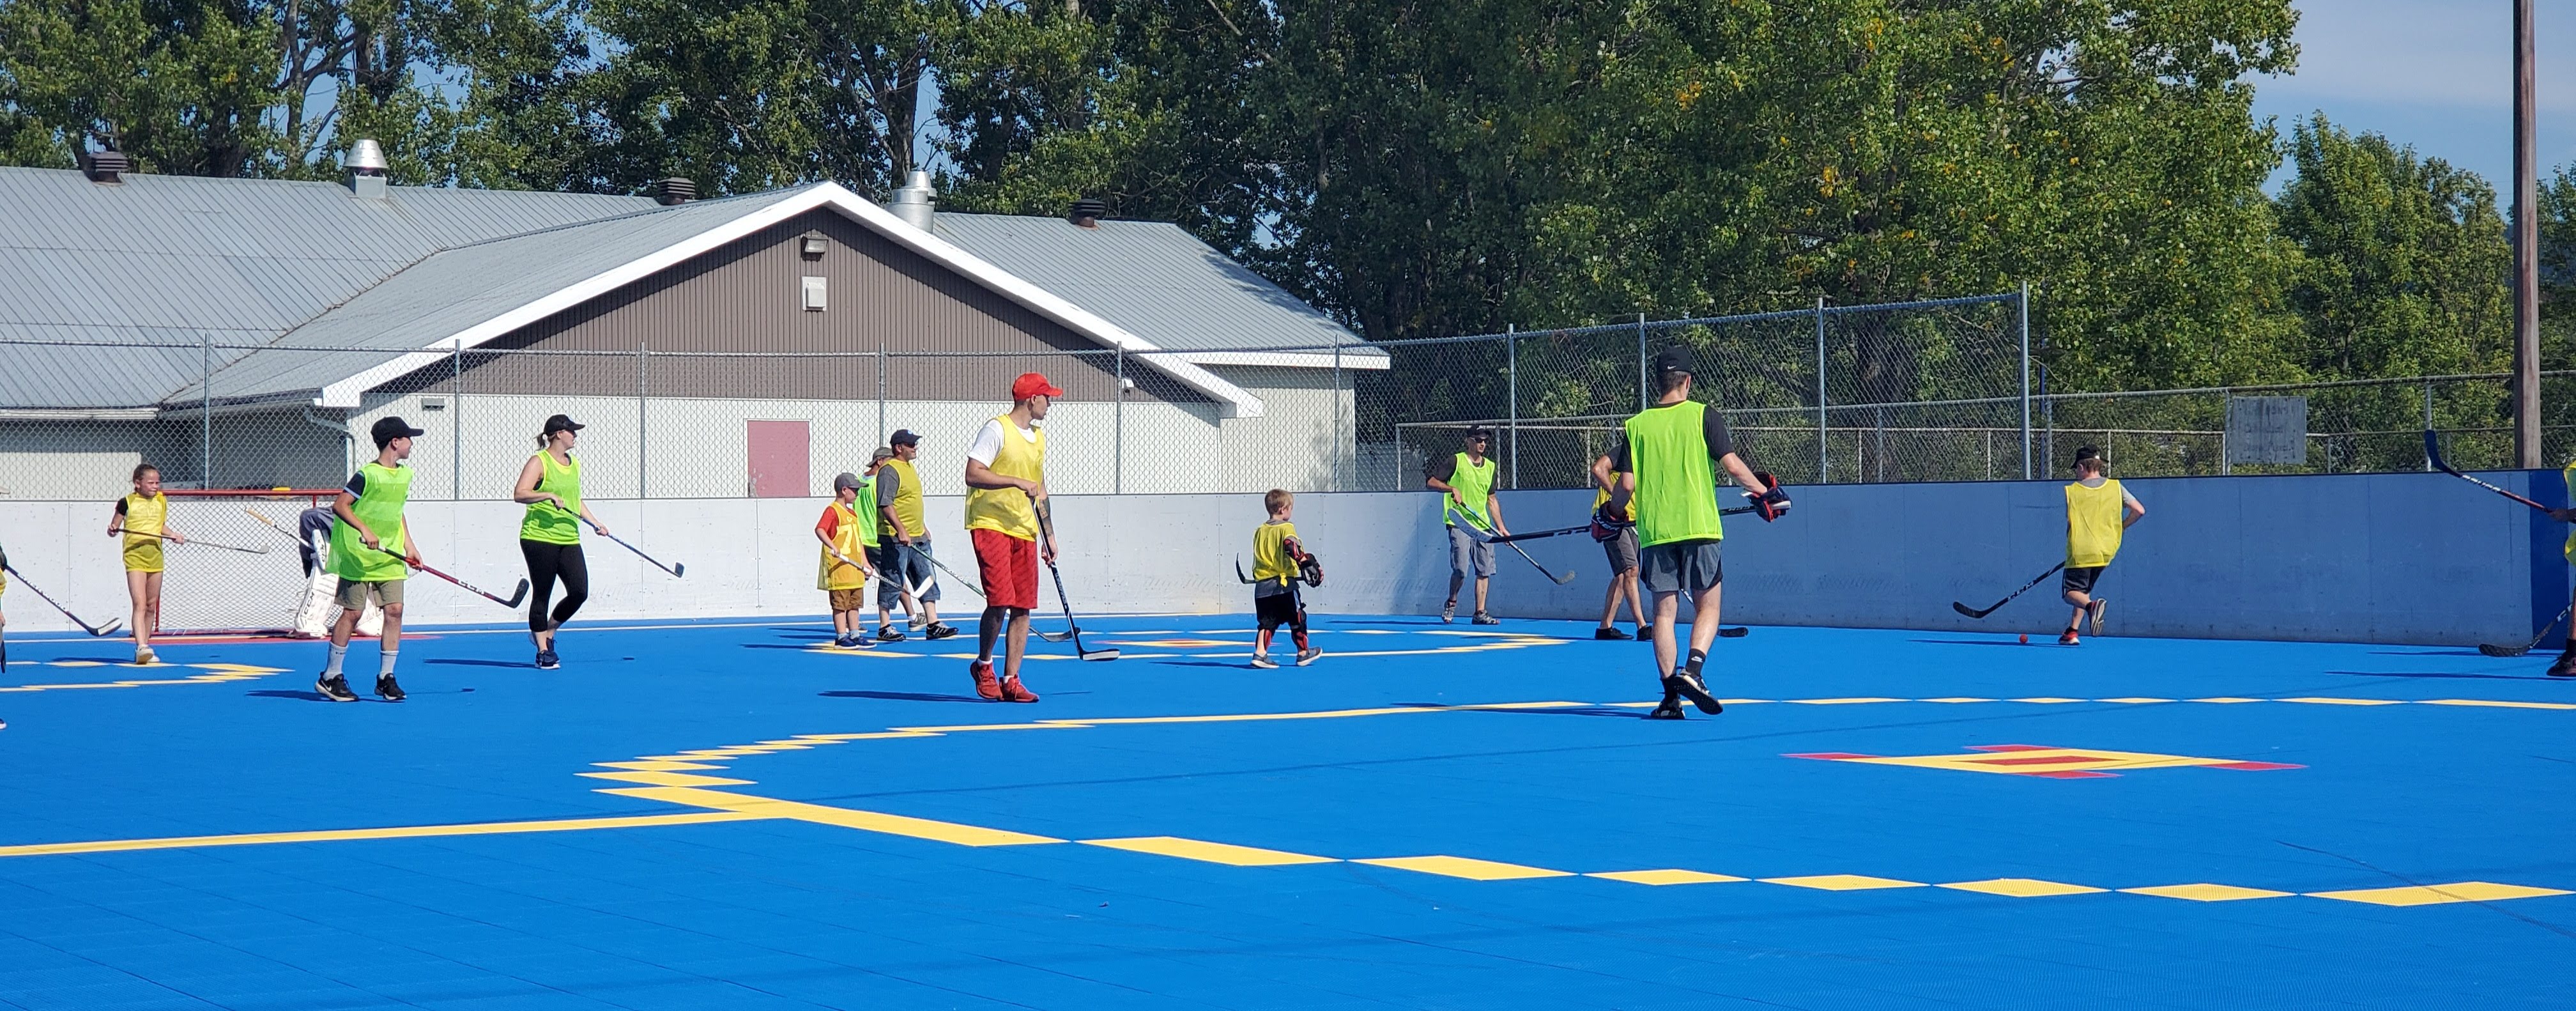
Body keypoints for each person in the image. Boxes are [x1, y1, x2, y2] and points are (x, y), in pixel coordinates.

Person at [1602, 347, 1790, 720]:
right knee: (1709, 606)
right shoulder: (1704, 415)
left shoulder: (1637, 425)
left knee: (1664, 613)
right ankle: (1694, 670)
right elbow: (1732, 466)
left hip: (1656, 532)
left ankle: (1670, 700)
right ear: (1687, 381)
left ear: (1658, 383)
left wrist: (1610, 514)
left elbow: (1626, 485)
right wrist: (1764, 493)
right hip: (1700, 526)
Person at [962, 372, 1061, 703]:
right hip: (991, 523)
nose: (1050, 404)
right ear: (1032, 399)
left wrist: (1049, 535)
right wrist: (1014, 482)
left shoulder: (1039, 438)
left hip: (1024, 528)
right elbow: (973, 473)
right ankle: (984, 665)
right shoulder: (997, 429)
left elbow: (1040, 489)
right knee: (1000, 599)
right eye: (1047, 398)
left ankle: (1011, 679)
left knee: (1023, 605)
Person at [318, 417, 427, 702]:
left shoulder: (404, 475)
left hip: (389, 555)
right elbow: (341, 505)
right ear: (395, 442)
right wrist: (364, 530)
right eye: (408, 439)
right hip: (359, 555)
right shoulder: (367, 475)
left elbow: (396, 512)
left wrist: (410, 546)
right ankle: (331, 675)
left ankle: (386, 678)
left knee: (395, 610)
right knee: (353, 613)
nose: (412, 444)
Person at [514, 414, 606, 669]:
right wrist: (547, 495)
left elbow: (575, 500)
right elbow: (520, 493)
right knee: (542, 592)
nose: (575, 436)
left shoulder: (574, 464)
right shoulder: (539, 461)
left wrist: (595, 523)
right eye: (571, 432)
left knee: (579, 591)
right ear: (557, 434)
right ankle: (543, 651)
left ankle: (548, 631)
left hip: (569, 536)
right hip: (539, 536)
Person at [871, 433, 954, 641]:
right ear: (899, 448)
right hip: (895, 539)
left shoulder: (909, 468)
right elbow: (886, 504)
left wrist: (922, 527)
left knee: (926, 577)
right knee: (893, 579)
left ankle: (933, 623)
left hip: (918, 537)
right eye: (910, 444)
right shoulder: (889, 471)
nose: (915, 447)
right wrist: (901, 530)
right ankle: (884, 626)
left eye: (915, 444)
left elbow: (911, 502)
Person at [2059, 445, 2143, 647]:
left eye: (2077, 469)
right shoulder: (2116, 487)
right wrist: (2121, 527)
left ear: (2081, 467)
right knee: (2083, 590)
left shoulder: (2074, 491)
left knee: (2070, 593)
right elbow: (2139, 510)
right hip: (2106, 551)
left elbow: (2070, 523)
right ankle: (2072, 631)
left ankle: (2092, 606)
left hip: (2081, 551)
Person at [1425, 427, 1506, 624]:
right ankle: (1452, 601)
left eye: (1485, 440)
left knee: (1484, 570)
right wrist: (1451, 488)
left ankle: (1480, 613)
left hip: (1482, 525)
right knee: (1461, 569)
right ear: (1468, 441)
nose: (1482, 444)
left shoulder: (1490, 467)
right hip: (1459, 522)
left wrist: (1501, 528)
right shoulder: (1456, 461)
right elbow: (1431, 482)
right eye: (1478, 440)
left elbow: (1492, 499)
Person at [105, 463, 183, 664]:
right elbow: (114, 527)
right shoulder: (127, 503)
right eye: (151, 483)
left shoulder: (161, 501)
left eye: (157, 483)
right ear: (138, 483)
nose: (155, 486)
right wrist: (112, 529)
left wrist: (173, 535)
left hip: (155, 556)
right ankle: (141, 646)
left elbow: (160, 526)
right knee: (139, 603)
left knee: (150, 605)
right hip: (135, 556)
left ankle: (145, 648)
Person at [1250, 489, 1324, 668]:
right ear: (1283, 509)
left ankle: (1260, 654)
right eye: (1290, 508)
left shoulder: (1260, 531)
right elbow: (1290, 545)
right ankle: (1303, 653)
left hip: (1262, 586)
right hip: (1284, 586)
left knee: (1266, 622)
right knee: (1297, 618)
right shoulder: (1286, 527)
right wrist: (1305, 563)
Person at [293, 505, 383, 639]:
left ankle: (368, 618)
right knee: (310, 518)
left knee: (309, 517)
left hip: (359, 523)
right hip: (351, 522)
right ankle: (310, 620)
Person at [1587, 452, 1648, 641]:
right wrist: (1617, 497)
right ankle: (1642, 626)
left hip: (1633, 520)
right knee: (1631, 570)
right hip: (1612, 518)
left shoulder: (1651, 453)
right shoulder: (1625, 450)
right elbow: (1598, 469)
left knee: (1623, 576)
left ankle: (1605, 628)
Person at [816, 471, 881, 649]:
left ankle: (855, 634)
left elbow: (858, 541)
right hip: (840, 569)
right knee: (840, 604)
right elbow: (820, 529)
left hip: (854, 569)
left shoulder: (853, 514)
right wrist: (832, 546)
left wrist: (865, 563)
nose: (857, 494)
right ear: (844, 490)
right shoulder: (833, 511)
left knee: (854, 604)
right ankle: (841, 636)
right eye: (855, 490)